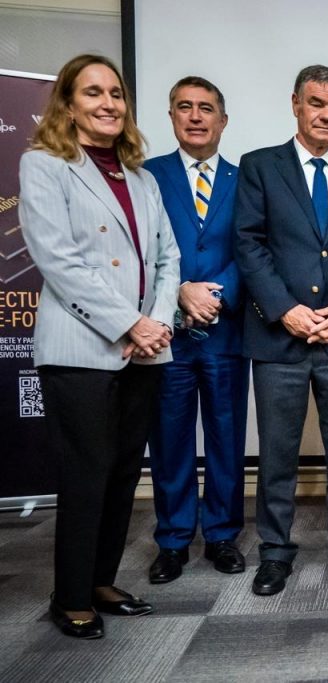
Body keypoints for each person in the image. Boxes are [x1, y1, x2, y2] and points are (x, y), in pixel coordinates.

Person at [18, 54, 180, 638]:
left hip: (144, 348)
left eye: (116, 93)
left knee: (122, 471)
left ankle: (101, 580)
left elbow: (167, 259)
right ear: (68, 104)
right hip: (81, 348)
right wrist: (129, 324)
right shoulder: (44, 165)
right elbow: (58, 260)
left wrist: (155, 322)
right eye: (93, 93)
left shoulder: (142, 177)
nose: (108, 103)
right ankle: (70, 595)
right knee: (86, 473)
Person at [234, 64, 328, 595]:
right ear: (296, 104)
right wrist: (286, 310)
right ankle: (275, 553)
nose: (326, 114)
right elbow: (249, 243)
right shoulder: (259, 167)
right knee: (277, 456)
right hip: (280, 338)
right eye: (317, 104)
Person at [144, 76, 248, 584]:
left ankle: (223, 535)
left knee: (227, 439)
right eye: (184, 107)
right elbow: (140, 250)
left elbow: (253, 248)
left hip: (227, 334)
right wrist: (181, 291)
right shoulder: (148, 176)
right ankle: (173, 539)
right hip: (166, 334)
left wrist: (216, 295)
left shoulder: (244, 179)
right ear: (171, 117)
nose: (195, 116)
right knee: (170, 440)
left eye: (206, 108)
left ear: (223, 120)